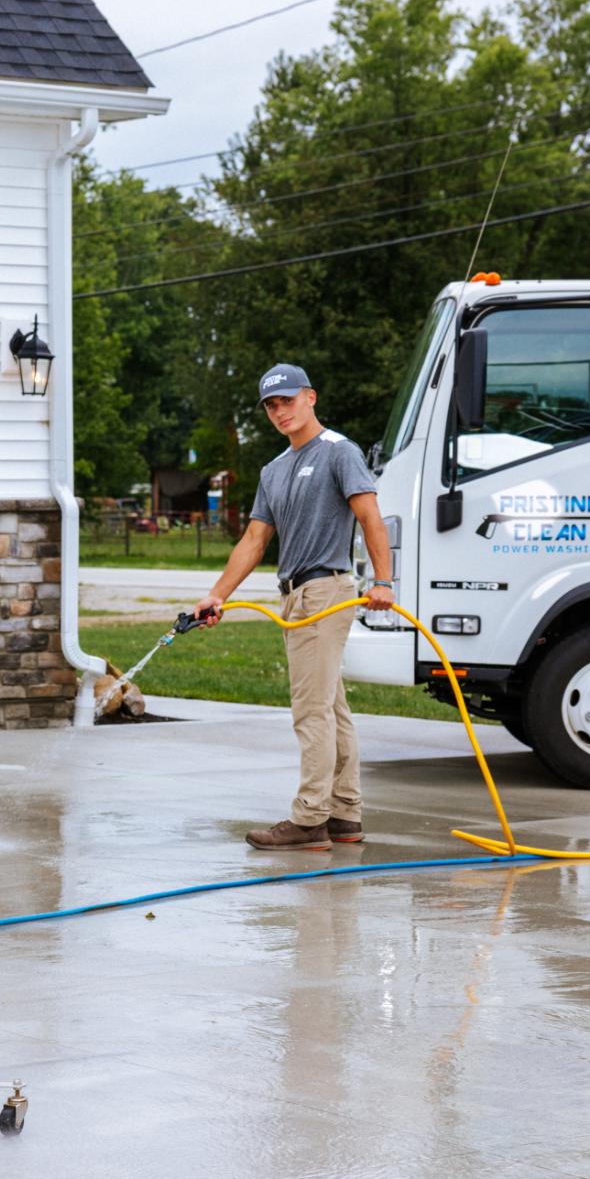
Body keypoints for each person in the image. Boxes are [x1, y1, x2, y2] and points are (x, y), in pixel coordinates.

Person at [193, 363, 395, 851]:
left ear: (311, 397)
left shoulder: (338, 452)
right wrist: (217, 593)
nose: (279, 411)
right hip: (294, 595)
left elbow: (370, 517)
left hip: (327, 591)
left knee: (310, 710)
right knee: (330, 707)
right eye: (271, 405)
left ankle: (309, 820)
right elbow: (255, 539)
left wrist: (383, 581)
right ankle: (345, 814)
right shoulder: (273, 469)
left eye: (287, 400)